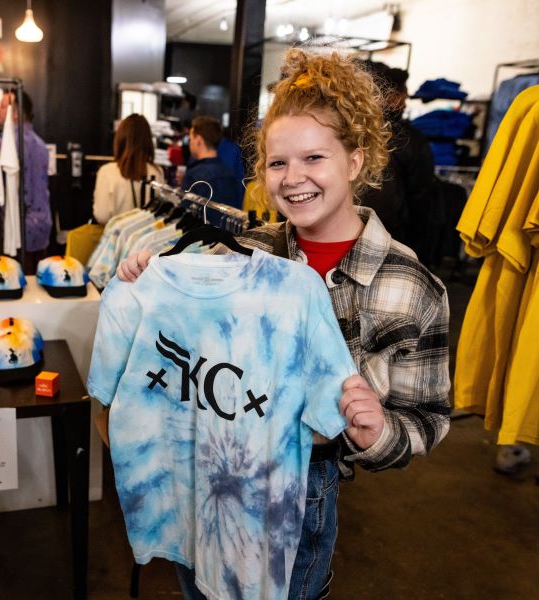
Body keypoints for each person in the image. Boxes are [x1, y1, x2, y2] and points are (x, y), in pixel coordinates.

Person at [116, 48, 451, 599]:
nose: (293, 179)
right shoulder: (241, 256)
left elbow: (429, 416)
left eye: (314, 158)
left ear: (356, 161)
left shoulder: (413, 290)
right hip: (206, 469)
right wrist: (147, 286)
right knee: (198, 587)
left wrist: (380, 433)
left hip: (303, 492)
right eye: (277, 163)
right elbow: (186, 348)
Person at [358, 60, 437, 253]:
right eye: (403, 96)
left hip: (344, 233)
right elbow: (421, 197)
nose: (405, 101)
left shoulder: (345, 129)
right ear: (391, 96)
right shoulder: (409, 139)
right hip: (390, 238)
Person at [0, 91, 51, 273]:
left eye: (3, 106)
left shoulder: (4, 145)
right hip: (42, 227)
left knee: (16, 287)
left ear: (16, 113)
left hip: (17, 231)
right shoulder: (41, 145)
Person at [92, 113, 163, 224]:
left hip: (115, 238)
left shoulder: (107, 172)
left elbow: (102, 216)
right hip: (147, 238)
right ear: (148, 140)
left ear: (120, 138)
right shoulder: (157, 172)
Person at [181, 116, 243, 209]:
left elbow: (185, 213)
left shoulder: (193, 177)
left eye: (191, 139)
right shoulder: (229, 174)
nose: (190, 143)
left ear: (198, 140)